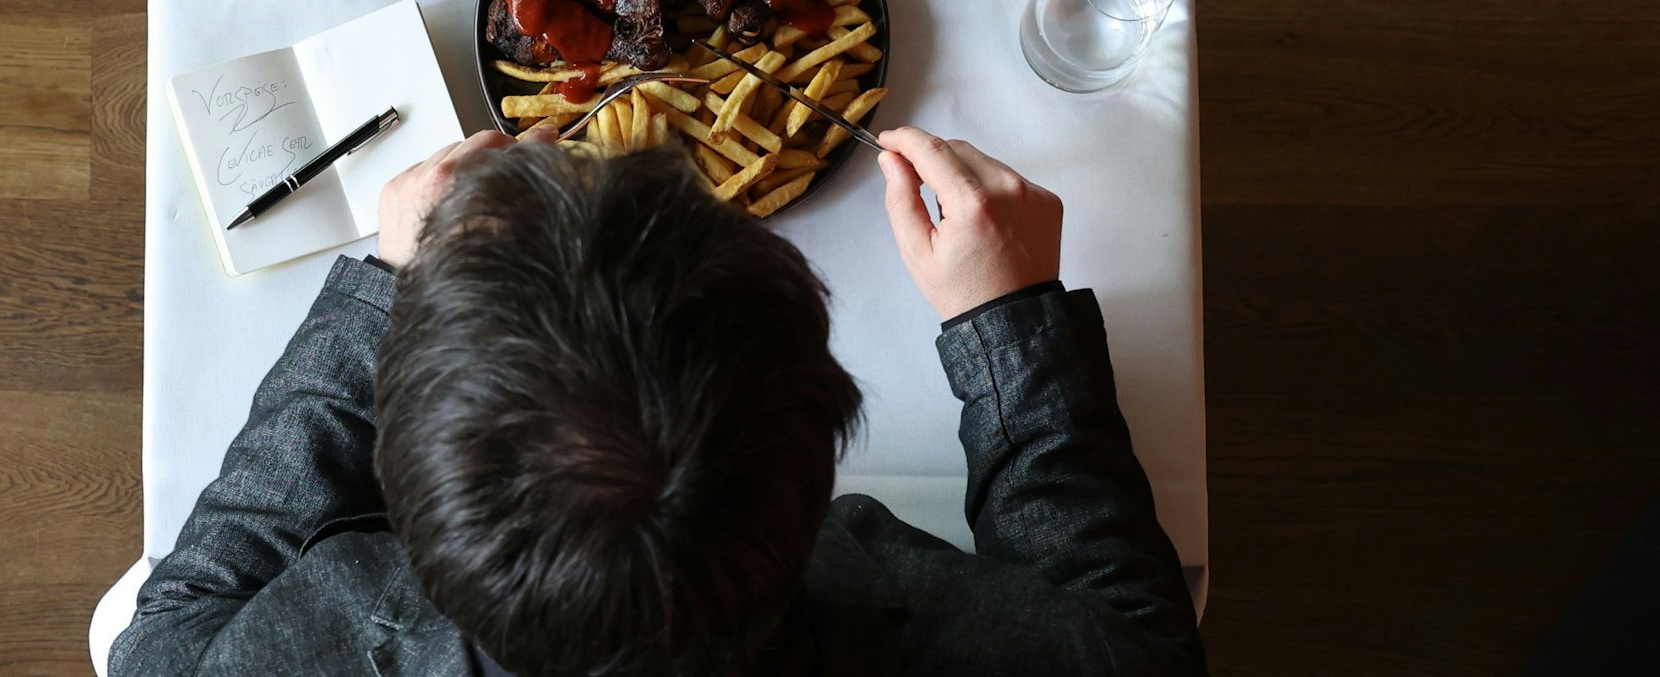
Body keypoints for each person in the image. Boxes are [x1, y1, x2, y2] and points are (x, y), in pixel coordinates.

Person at [110, 125, 1206, 676]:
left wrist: (376, 295)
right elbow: (1140, 647)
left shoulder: (307, 638)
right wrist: (1011, 329)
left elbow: (165, 630)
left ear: (402, 491)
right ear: (825, 448)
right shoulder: (935, 634)